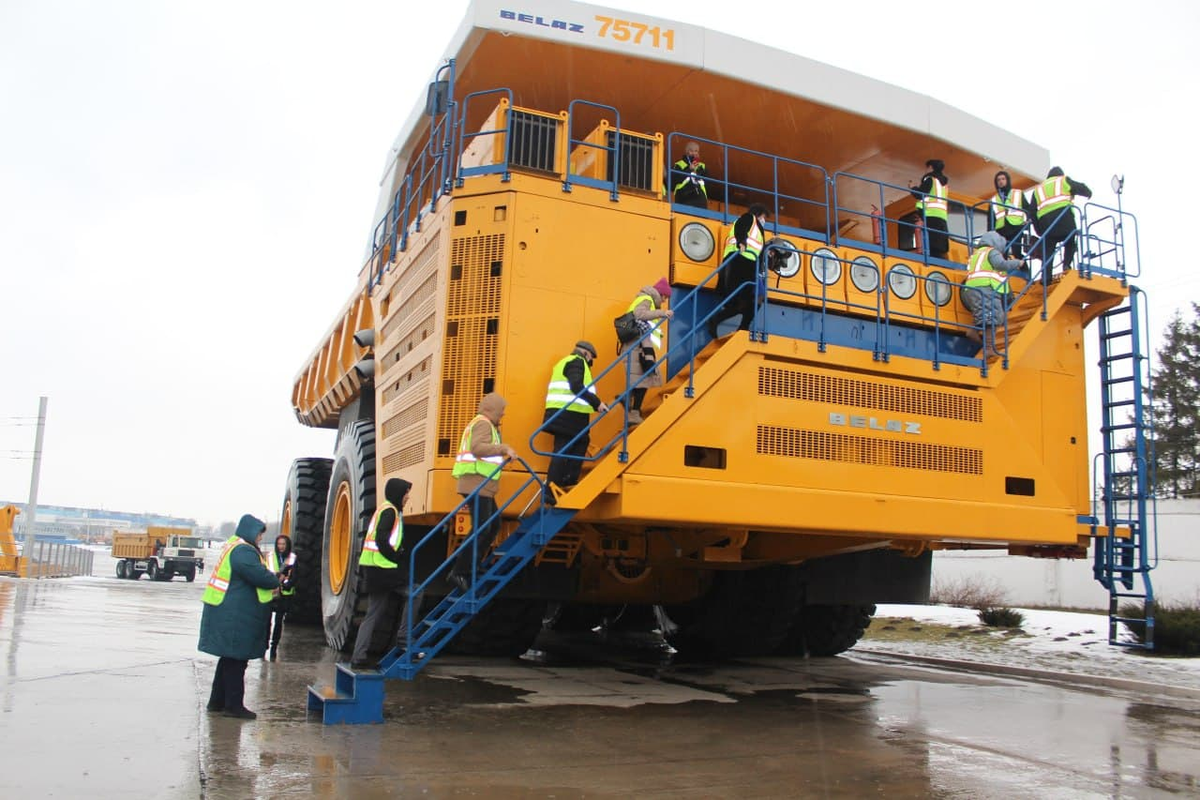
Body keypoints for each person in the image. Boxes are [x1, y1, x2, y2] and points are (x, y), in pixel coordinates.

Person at [198, 514, 280, 720]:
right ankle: (233, 705)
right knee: (237, 661)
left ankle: (216, 702)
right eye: (260, 534)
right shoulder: (244, 551)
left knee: (228, 659)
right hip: (236, 615)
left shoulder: (234, 547)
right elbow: (259, 576)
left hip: (228, 611)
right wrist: (275, 578)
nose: (261, 539)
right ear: (251, 532)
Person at [447, 393, 517, 591]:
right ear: (491, 409)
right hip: (476, 482)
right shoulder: (483, 424)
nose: (502, 415)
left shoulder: (487, 425)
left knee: (493, 525)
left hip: (481, 484)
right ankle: (459, 572)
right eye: (501, 411)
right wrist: (504, 448)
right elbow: (477, 448)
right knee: (482, 527)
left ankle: (472, 566)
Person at [349, 478, 417, 669]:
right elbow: (381, 539)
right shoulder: (390, 511)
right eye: (406, 493)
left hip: (374, 568)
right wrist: (396, 557)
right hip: (383, 569)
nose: (407, 497)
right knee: (416, 592)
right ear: (398, 493)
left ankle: (358, 656)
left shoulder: (384, 508)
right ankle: (404, 639)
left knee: (373, 613)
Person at [543, 341, 609, 502]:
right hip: (569, 414)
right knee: (564, 448)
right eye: (591, 358)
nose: (591, 362)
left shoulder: (564, 362)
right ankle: (553, 488)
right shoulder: (577, 362)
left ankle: (565, 482)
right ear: (586, 354)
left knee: (577, 444)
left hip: (566, 414)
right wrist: (597, 403)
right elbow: (576, 386)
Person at [962, 231, 1025, 356]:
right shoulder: (992, 252)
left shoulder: (976, 254)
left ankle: (973, 330)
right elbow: (1000, 265)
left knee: (985, 314)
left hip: (970, 289)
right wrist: (1017, 263)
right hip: (986, 288)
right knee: (994, 317)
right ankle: (989, 348)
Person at [620, 278, 674, 425]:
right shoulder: (646, 299)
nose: (664, 301)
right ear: (661, 294)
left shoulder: (645, 299)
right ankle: (633, 412)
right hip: (638, 346)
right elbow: (640, 315)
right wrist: (662, 313)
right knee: (646, 377)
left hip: (639, 345)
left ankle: (628, 402)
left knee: (644, 378)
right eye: (665, 297)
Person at [709, 204, 768, 337]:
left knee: (748, 300)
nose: (765, 221)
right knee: (742, 300)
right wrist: (742, 242)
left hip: (748, 265)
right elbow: (741, 228)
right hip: (740, 263)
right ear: (758, 215)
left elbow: (759, 249)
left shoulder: (758, 229)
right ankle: (720, 321)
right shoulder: (749, 218)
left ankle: (736, 325)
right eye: (764, 218)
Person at [1027, 166, 1093, 277]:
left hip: (1046, 224)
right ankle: (1066, 265)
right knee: (1070, 241)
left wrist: (1038, 230)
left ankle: (1046, 277)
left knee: (1048, 250)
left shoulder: (1038, 189)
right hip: (1064, 220)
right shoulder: (1063, 180)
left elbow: (1032, 211)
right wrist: (1088, 193)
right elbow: (1080, 187)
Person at [909, 159, 950, 259]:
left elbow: (920, 194)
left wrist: (912, 188)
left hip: (930, 214)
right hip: (942, 216)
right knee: (939, 243)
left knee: (930, 243)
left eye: (927, 167)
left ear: (931, 167)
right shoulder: (944, 184)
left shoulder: (931, 179)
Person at [264, 534, 295, 661]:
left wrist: (285, 582)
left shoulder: (292, 558)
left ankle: (273, 648)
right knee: (266, 621)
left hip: (284, 594)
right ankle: (264, 644)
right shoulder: (270, 557)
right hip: (271, 592)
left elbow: (295, 576)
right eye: (279, 544)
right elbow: (264, 572)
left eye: (283, 544)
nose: (281, 546)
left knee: (278, 623)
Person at [989, 170, 1027, 259]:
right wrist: (991, 234)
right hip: (1001, 229)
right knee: (1001, 253)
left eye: (1003, 179)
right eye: (998, 180)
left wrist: (1026, 220)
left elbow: (1027, 208)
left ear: (1007, 180)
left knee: (1016, 252)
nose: (1001, 181)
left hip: (1016, 227)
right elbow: (990, 218)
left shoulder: (1018, 193)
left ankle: (1024, 270)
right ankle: (1003, 271)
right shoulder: (994, 199)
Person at [670, 141, 708, 209]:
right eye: (691, 150)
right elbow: (674, 180)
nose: (694, 153)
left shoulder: (702, 166)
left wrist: (698, 170)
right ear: (687, 151)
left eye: (696, 151)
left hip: (700, 199)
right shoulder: (678, 164)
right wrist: (689, 169)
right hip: (683, 197)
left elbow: (708, 182)